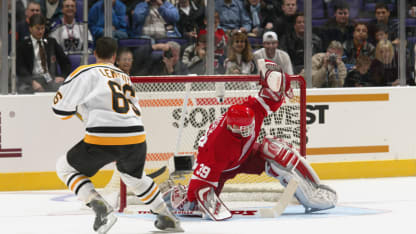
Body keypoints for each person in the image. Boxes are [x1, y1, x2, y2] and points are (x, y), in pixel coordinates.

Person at [162, 59, 337, 220]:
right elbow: (202, 178)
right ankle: (182, 198)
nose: (248, 131)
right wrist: (194, 197)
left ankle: (312, 191)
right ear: (232, 127)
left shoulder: (250, 110)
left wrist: (276, 81)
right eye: (243, 129)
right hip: (223, 167)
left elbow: (270, 97)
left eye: (249, 127)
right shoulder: (217, 149)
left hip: (243, 155)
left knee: (275, 149)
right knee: (195, 204)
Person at [52, 37, 183, 233]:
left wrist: (78, 111)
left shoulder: (86, 71)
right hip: (136, 136)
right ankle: (167, 216)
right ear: (115, 57)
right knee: (134, 177)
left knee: (65, 167)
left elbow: (59, 109)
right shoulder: (123, 75)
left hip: (103, 136)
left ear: (95, 54)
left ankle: (100, 206)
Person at [17, 14, 71, 93]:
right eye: (37, 29)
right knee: (23, 90)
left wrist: (62, 76)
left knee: (64, 87)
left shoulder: (51, 42)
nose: (40, 31)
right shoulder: (23, 45)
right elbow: (20, 68)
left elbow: (65, 62)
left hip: (50, 79)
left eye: (42, 28)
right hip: (32, 79)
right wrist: (31, 81)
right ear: (30, 29)